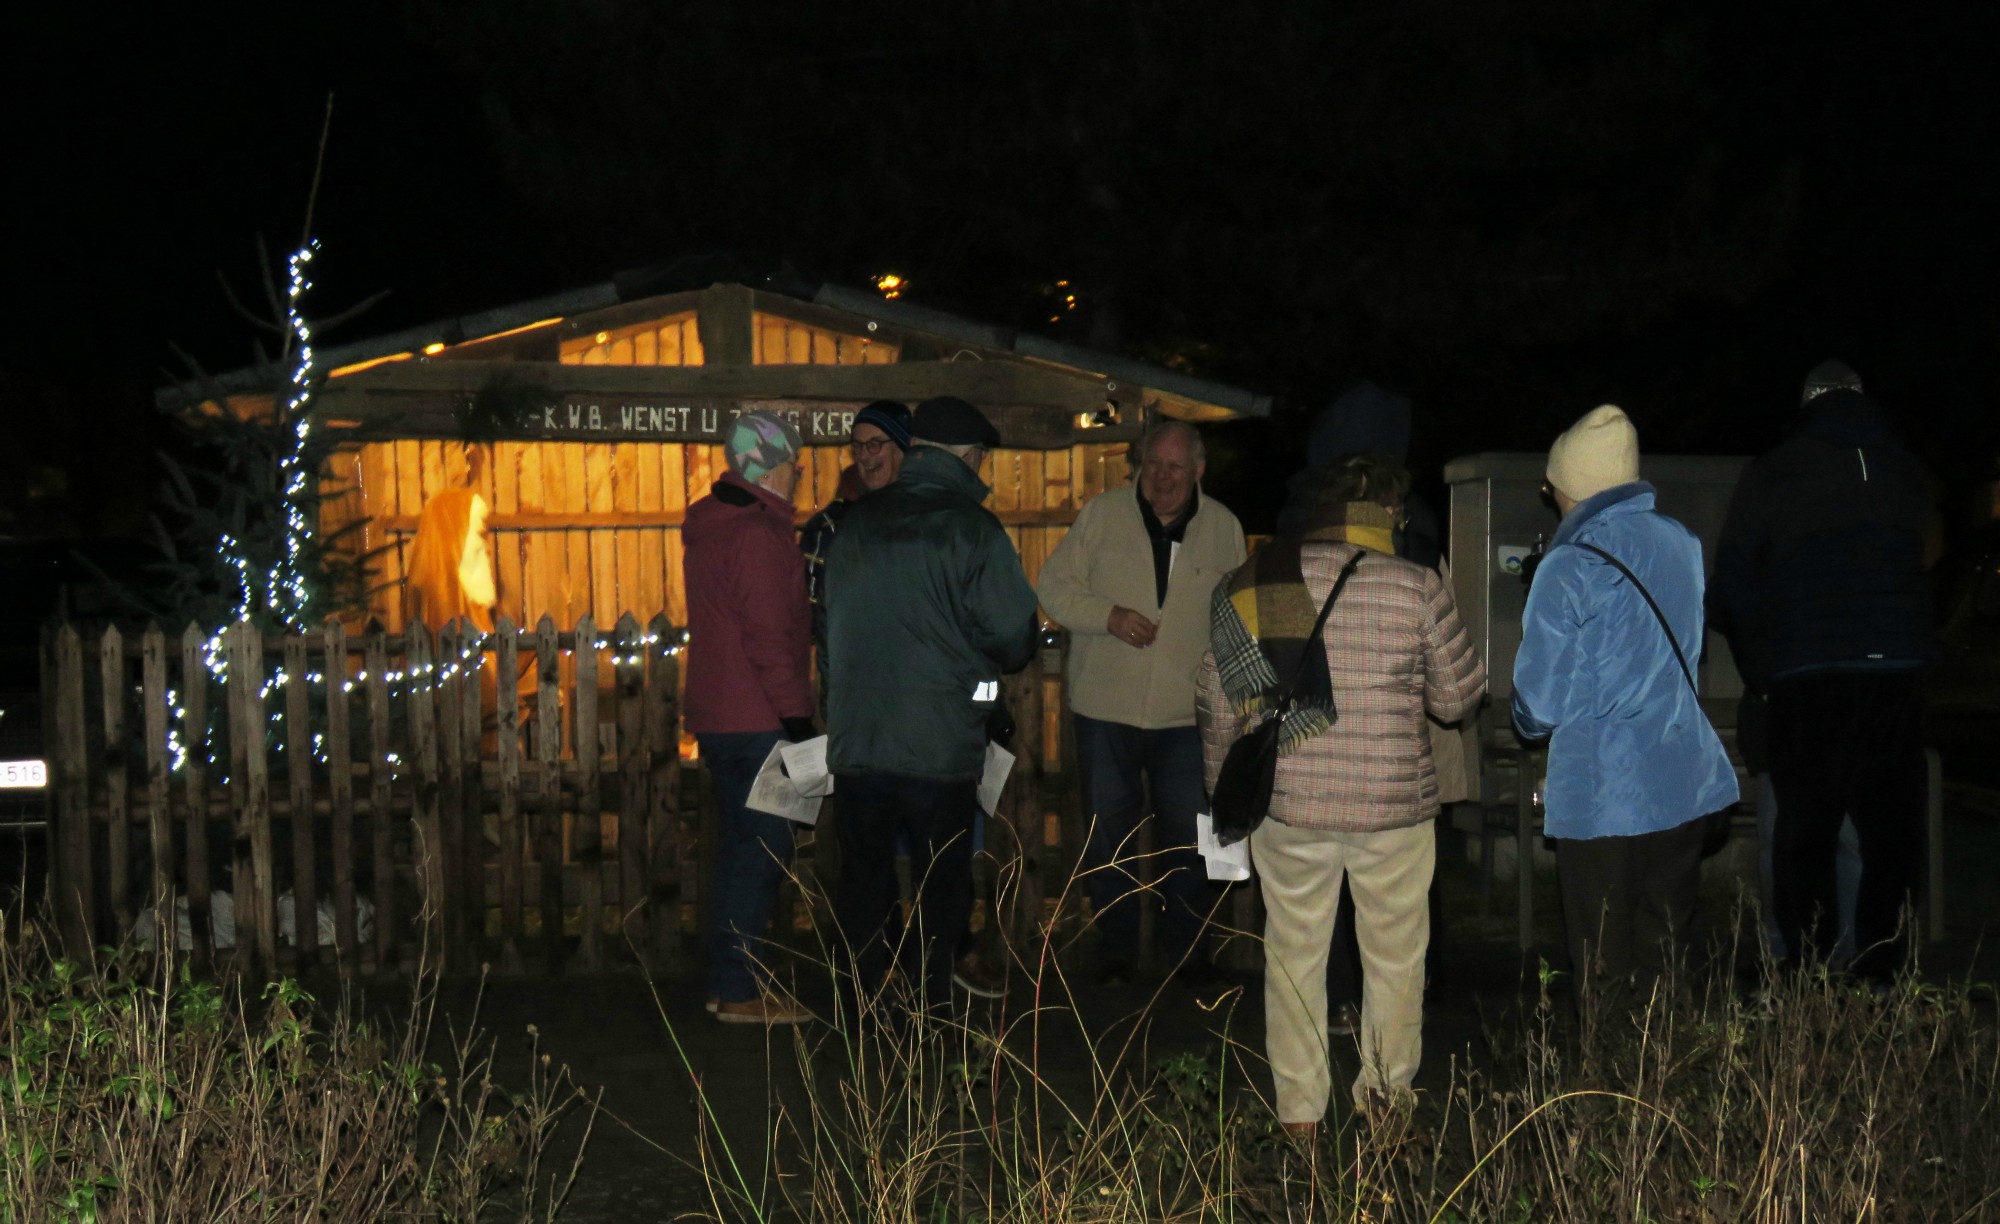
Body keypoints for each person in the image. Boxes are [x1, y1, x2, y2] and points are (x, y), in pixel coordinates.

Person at [1198, 452, 1485, 1132]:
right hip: (1391, 807)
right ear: (1390, 515)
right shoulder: (1415, 586)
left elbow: (1215, 699)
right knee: (1393, 960)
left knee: (1293, 956)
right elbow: (1456, 700)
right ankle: (1385, 1106)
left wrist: (1223, 798)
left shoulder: (1255, 578)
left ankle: (1299, 1115)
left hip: (1291, 803)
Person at [1712, 361, 1936, 980]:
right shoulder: (1907, 468)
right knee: (1890, 834)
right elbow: (1931, 565)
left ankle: (1807, 974)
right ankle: (1880, 973)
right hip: (1896, 671)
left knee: (1805, 831)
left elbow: (1730, 584)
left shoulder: (1776, 468)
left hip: (1808, 672)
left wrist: (1766, 668)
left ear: (1807, 401)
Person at [824, 396, 1041, 1016]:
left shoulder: (855, 526)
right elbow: (1012, 637)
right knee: (940, 882)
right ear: (970, 458)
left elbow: (830, 636)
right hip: (938, 746)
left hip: (859, 747)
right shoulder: (971, 529)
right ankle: (932, 1013)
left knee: (863, 884)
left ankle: (862, 1014)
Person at [1513, 405, 1737, 1005]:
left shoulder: (1567, 564)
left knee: (1603, 966)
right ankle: (1672, 1084)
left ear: (1573, 487)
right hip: (1683, 782)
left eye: (1551, 488)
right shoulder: (1682, 543)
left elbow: (1540, 703)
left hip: (1604, 795)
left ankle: (1610, 1094)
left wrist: (1526, 719)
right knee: (1665, 956)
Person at [1037, 419, 1246, 986]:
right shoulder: (1102, 516)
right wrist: (1107, 617)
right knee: (1109, 834)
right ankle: (1115, 951)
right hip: (1106, 708)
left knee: (1190, 836)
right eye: (1154, 464)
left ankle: (1188, 954)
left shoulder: (1224, 528)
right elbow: (1052, 585)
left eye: (1176, 466)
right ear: (1139, 465)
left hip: (1186, 715)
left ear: (1198, 470)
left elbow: (1237, 617)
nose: (1163, 478)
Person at [683, 411, 816, 1025]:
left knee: (743, 848)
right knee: (762, 853)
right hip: (762, 719)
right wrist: (798, 720)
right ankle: (738, 991)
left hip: (721, 717)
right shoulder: (757, 537)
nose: (801, 473)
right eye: (796, 461)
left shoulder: (712, 527)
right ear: (774, 464)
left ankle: (727, 982)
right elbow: (771, 639)